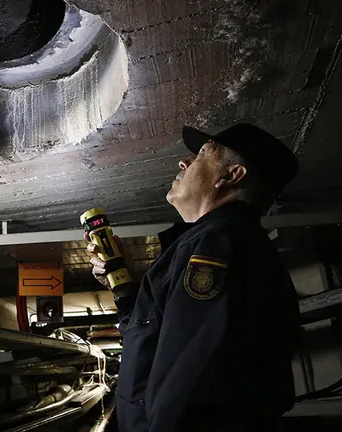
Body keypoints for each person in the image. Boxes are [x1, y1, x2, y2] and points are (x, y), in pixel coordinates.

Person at [88, 123, 300, 432]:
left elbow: (194, 382)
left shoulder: (221, 247)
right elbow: (160, 335)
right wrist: (123, 287)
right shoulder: (217, 243)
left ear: (230, 176)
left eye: (201, 153)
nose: (183, 163)